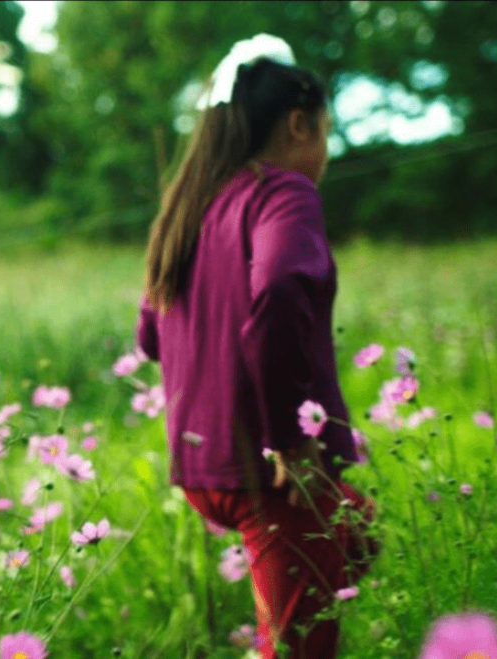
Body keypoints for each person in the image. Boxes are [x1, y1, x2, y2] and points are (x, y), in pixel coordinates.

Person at [137, 34, 378, 658]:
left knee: (359, 529)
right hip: (268, 470)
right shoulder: (284, 192)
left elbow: (150, 334)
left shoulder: (192, 205)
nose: (325, 152)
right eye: (325, 131)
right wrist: (289, 440)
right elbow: (275, 288)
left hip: (200, 467)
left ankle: (288, 605)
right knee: (301, 648)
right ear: (298, 124)